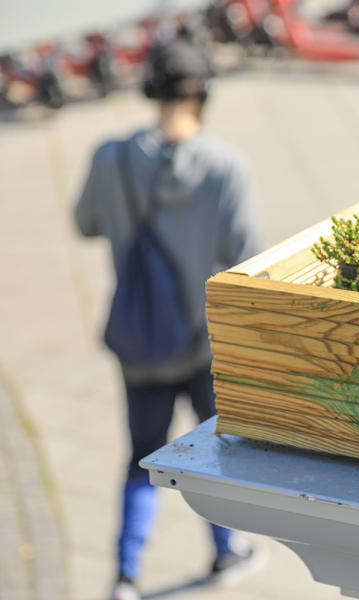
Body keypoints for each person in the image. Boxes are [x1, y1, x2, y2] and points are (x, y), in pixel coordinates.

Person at [74, 34, 263, 600]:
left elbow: (83, 224)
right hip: (202, 343)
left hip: (138, 344)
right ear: (205, 92)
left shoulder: (110, 158)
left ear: (150, 89)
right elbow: (248, 257)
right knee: (216, 456)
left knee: (138, 459)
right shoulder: (226, 168)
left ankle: (126, 577)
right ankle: (226, 550)